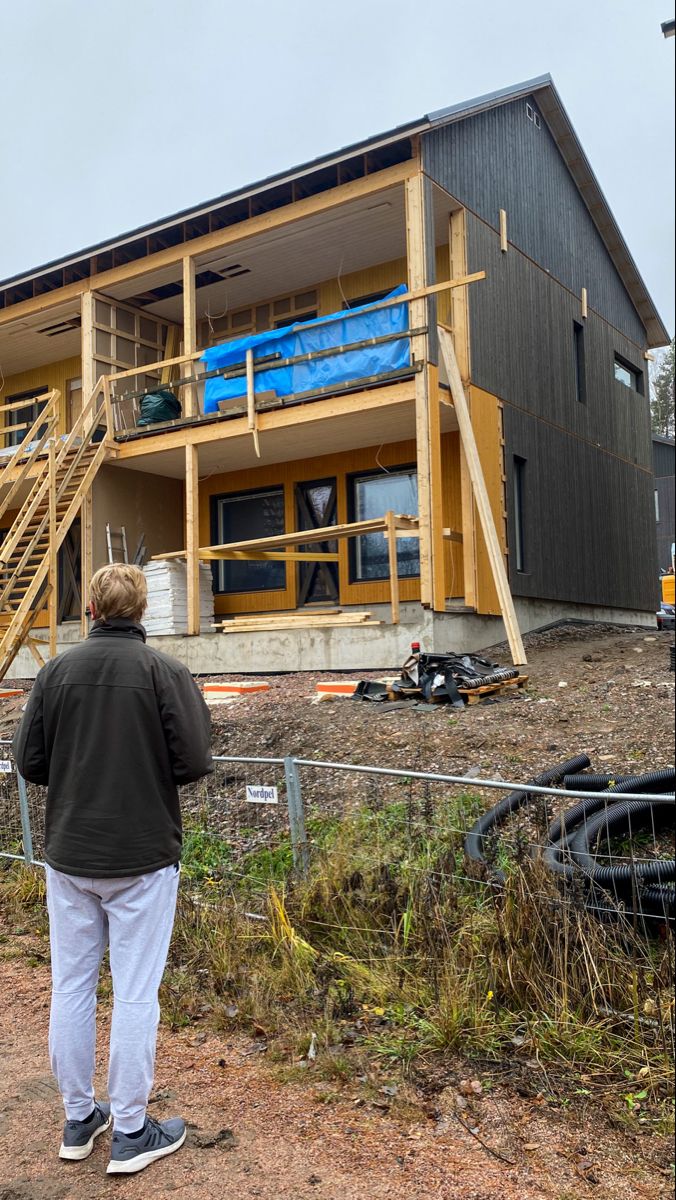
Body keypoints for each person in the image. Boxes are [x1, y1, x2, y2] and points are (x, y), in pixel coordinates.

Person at [12, 563, 213, 1175]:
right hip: (144, 856)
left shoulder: (56, 671)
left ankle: (78, 1118)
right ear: (141, 611)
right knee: (134, 993)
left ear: (93, 611)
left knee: (71, 987)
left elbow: (29, 760)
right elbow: (194, 759)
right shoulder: (165, 672)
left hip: (70, 854)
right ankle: (130, 1128)